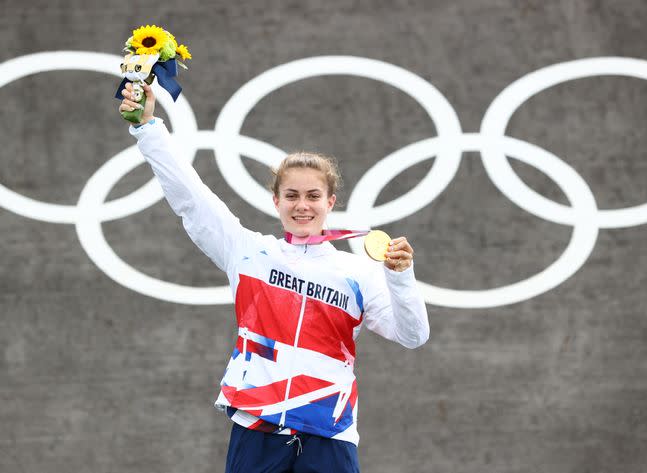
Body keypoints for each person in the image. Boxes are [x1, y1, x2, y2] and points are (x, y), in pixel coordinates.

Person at [119, 82, 429, 473]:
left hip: (328, 430)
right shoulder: (248, 252)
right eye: (292, 195)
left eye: (313, 196)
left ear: (330, 203)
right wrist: (147, 127)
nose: (303, 206)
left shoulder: (357, 273)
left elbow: (414, 336)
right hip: (257, 425)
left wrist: (400, 279)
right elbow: (190, 197)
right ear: (276, 200)